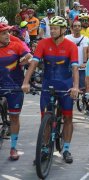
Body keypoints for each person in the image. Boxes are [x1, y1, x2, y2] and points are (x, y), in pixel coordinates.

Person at [22, 16, 80, 164]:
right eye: (51, 28)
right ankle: (45, 149)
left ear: (62, 30)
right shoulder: (43, 43)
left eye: (55, 28)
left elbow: (75, 68)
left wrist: (75, 87)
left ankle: (66, 149)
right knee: (46, 119)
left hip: (65, 86)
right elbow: (33, 64)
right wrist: (26, 82)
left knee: (68, 118)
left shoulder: (71, 46)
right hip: (48, 85)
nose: (52, 30)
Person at [0, 23, 32, 160]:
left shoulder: (16, 45)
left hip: (15, 87)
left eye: (8, 32)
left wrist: (26, 59)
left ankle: (13, 148)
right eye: (3, 33)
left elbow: (29, 57)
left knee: (14, 117)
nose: (8, 35)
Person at [65, 21, 89, 96]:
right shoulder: (67, 38)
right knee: (69, 85)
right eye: (75, 26)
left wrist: (85, 63)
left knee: (82, 87)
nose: (77, 27)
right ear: (72, 28)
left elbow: (85, 51)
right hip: (70, 66)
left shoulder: (85, 39)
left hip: (81, 66)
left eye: (79, 26)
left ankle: (84, 101)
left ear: (81, 28)